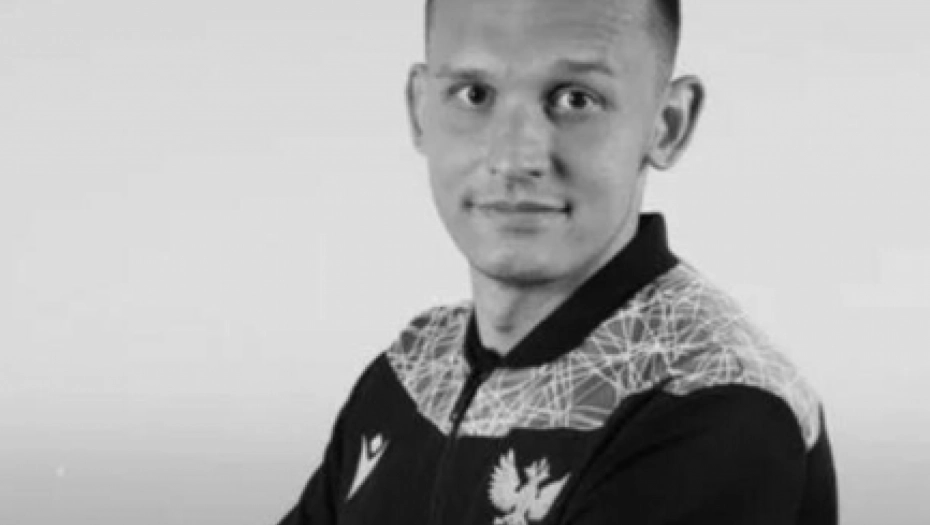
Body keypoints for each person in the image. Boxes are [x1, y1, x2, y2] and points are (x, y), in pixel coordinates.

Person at [277, 0, 838, 523]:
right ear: (421, 109)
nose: (514, 157)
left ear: (667, 124)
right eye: (474, 93)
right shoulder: (415, 366)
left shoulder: (717, 403)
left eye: (576, 99)